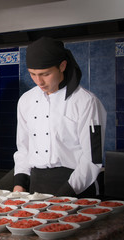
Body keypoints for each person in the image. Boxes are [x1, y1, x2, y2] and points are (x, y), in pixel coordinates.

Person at [13, 37, 107, 197]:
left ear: (62, 66)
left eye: (45, 74)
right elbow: (23, 148)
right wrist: (20, 183)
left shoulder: (86, 102)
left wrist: (65, 194)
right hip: (37, 185)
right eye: (33, 74)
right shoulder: (26, 100)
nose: (39, 81)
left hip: (76, 187)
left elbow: (92, 159)